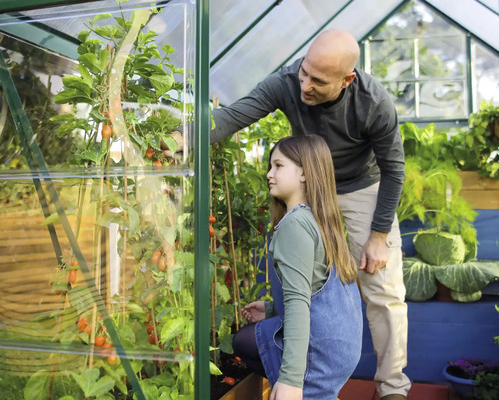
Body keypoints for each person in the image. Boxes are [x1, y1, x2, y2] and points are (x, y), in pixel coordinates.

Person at [168, 28, 410, 400]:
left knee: (383, 288)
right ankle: (305, 357)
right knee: (309, 274)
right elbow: (235, 115)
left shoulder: (373, 102)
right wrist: (185, 136)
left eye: (318, 80)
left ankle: (392, 387)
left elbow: (394, 169)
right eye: (304, 72)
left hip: (362, 185)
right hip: (314, 183)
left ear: (347, 80)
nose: (305, 85)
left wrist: (378, 236)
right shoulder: (287, 81)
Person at [233, 134, 362, 400]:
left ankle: (304, 387)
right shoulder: (319, 219)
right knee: (246, 338)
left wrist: (291, 381)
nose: (269, 173)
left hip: (320, 354)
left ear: (303, 173)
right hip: (341, 347)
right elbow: (319, 292)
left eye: (278, 166)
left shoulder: (294, 225)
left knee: (243, 342)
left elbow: (297, 302)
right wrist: (271, 309)